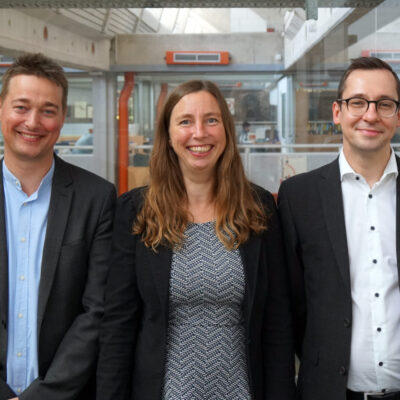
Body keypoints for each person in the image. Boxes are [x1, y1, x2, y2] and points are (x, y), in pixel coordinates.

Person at [97, 80, 295, 400]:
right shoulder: (137, 211)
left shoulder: (258, 208)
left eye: (211, 120)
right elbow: (118, 324)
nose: (199, 133)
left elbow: (277, 322)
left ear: (227, 131)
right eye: (185, 121)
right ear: (169, 136)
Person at [278, 56, 400, 400]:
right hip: (329, 391)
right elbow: (290, 305)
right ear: (337, 112)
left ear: (398, 115)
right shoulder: (298, 197)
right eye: (358, 102)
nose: (371, 115)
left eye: (385, 104)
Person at [0, 53, 116, 400]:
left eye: (48, 110)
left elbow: (96, 311)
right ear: (2, 109)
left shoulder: (97, 198)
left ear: (62, 118)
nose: (33, 122)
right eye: (21, 107)